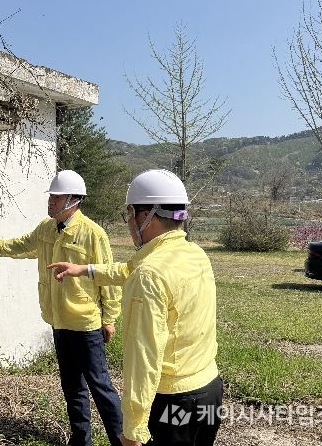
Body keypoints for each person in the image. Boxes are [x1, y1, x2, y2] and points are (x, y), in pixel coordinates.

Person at [48, 169, 222, 446]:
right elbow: (127, 269)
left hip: (174, 401)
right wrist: (84, 269)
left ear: (147, 215)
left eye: (129, 213)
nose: (129, 222)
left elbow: (144, 359)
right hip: (210, 389)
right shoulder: (194, 254)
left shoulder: (149, 275)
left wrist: (133, 428)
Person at [0, 170, 124, 446]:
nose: (50, 202)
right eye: (51, 197)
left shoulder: (93, 233)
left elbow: (107, 277)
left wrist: (110, 318)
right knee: (72, 387)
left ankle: (121, 441)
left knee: (100, 387)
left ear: (73, 200)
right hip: (59, 322)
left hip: (85, 324)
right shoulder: (46, 229)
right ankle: (81, 440)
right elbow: (21, 245)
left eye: (56, 197)